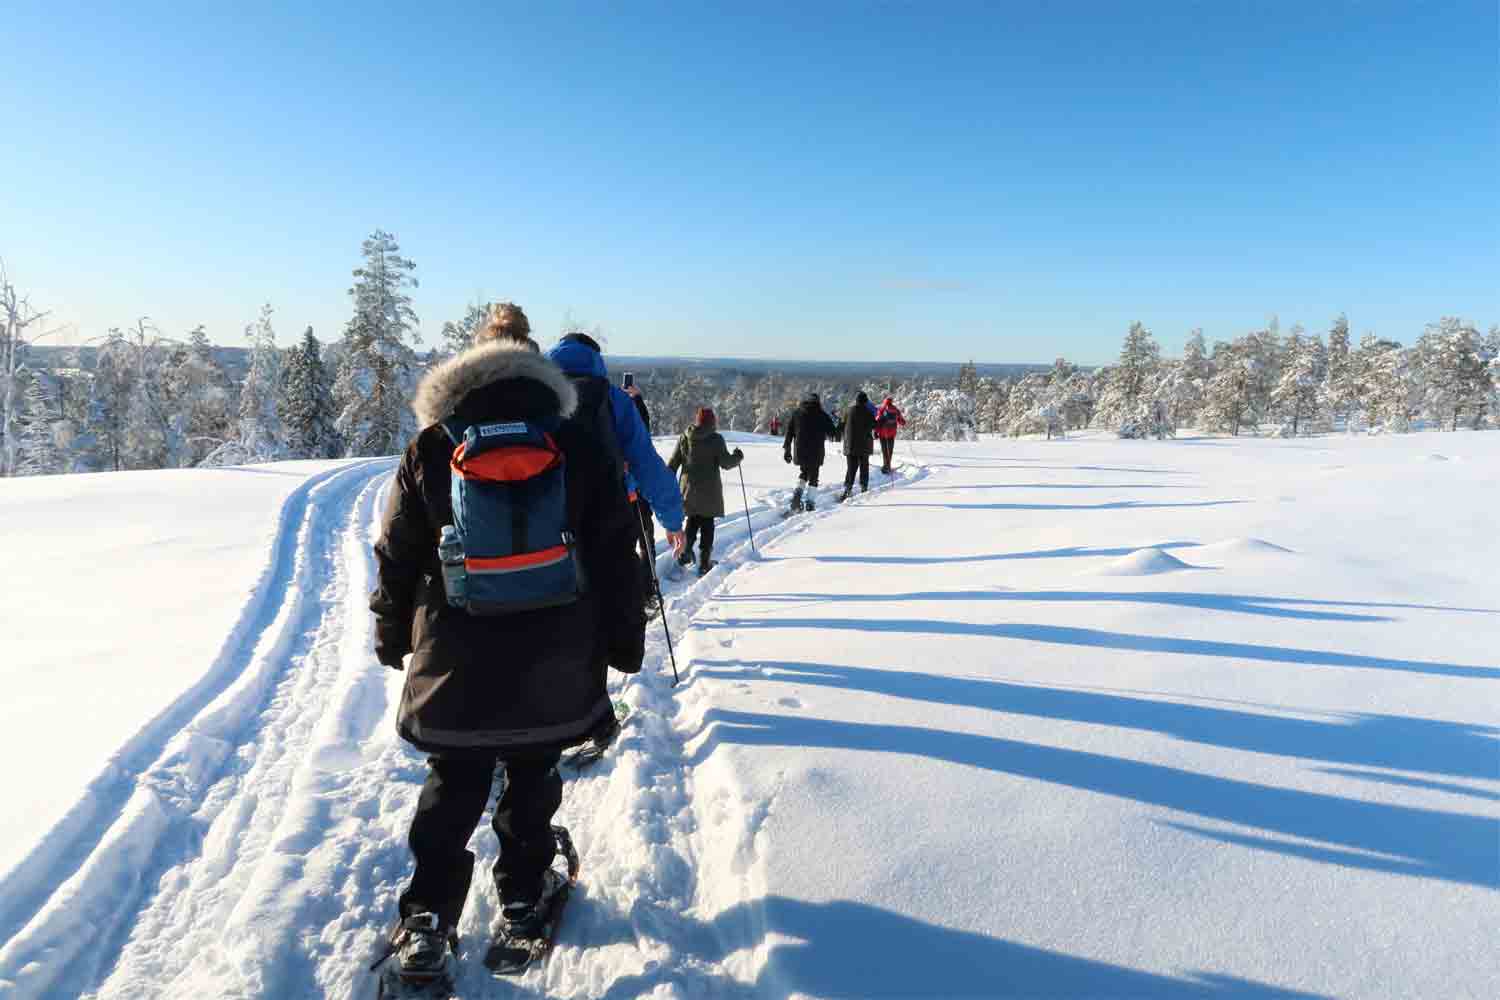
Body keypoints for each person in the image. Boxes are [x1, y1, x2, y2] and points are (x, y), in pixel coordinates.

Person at [368, 305, 646, 984]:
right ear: (535, 362)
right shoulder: (578, 440)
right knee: (530, 776)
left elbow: (398, 553)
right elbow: (616, 553)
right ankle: (523, 900)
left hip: (454, 655)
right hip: (555, 653)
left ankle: (428, 916)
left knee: (455, 778)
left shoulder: (433, 444)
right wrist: (623, 644)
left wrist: (390, 633)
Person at [545, 333, 686, 608]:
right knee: (615, 603)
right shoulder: (613, 399)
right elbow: (647, 464)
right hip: (609, 514)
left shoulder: (537, 397)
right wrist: (672, 521)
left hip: (548, 519)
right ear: (596, 359)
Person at [667, 407, 744, 576]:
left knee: (693, 520)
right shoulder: (716, 439)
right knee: (707, 524)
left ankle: (686, 553)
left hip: (688, 490)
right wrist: (738, 456)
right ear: (712, 422)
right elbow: (726, 463)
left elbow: (672, 463)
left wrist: (665, 483)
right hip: (709, 491)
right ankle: (704, 563)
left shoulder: (684, 437)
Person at [621, 380, 660, 606]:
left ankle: (635, 593)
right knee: (645, 543)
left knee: (628, 545)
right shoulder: (638, 435)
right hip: (637, 495)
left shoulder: (608, 426)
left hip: (619, 497)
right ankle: (646, 592)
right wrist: (638, 400)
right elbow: (643, 427)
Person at [782, 391, 839, 513]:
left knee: (804, 472)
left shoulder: (797, 413)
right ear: (818, 402)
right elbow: (833, 433)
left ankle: (797, 494)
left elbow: (789, 432)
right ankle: (810, 503)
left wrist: (787, 449)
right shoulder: (822, 415)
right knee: (814, 476)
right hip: (816, 451)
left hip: (800, 451)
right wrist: (837, 421)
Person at [839, 391, 876, 501]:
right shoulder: (868, 412)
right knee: (864, 467)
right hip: (864, 445)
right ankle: (864, 487)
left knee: (851, 468)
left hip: (850, 445)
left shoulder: (848, 411)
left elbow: (842, 425)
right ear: (865, 401)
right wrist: (882, 420)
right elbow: (874, 425)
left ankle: (847, 490)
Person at [874, 395, 907, 474]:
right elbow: (902, 421)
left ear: (885, 401)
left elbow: (877, 421)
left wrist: (876, 432)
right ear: (891, 402)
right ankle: (888, 466)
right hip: (892, 433)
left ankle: (885, 466)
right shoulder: (895, 410)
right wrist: (902, 423)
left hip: (883, 434)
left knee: (885, 451)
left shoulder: (882, 409)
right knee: (890, 451)